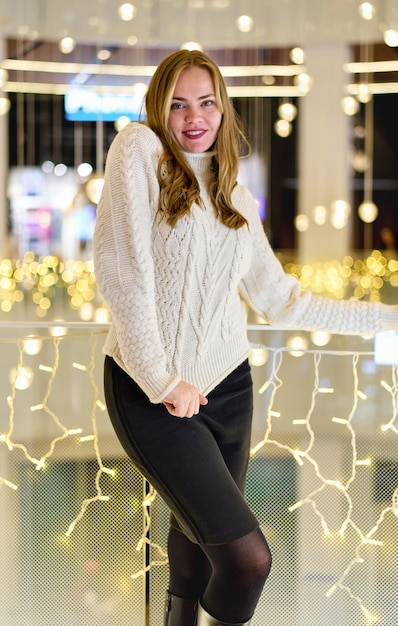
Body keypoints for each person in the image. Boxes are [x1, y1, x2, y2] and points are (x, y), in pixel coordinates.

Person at [93, 49, 398, 626]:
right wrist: (161, 378)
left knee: (195, 558)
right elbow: (124, 274)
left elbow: (281, 298)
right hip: (151, 391)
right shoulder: (138, 150)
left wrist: (386, 320)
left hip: (229, 389)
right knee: (248, 560)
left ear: (224, 110)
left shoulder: (234, 197)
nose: (194, 117)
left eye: (207, 102)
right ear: (158, 109)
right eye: (178, 104)